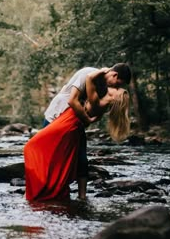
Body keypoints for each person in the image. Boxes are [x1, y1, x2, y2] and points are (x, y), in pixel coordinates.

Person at [24, 68, 131, 202]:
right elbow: (74, 101)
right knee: (70, 158)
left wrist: (102, 71)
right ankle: (77, 195)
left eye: (117, 89)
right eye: (118, 85)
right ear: (114, 75)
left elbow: (88, 80)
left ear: (113, 98)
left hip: (68, 121)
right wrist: (87, 119)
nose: (116, 87)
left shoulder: (98, 95)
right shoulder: (102, 95)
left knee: (40, 150)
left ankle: (45, 189)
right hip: (61, 117)